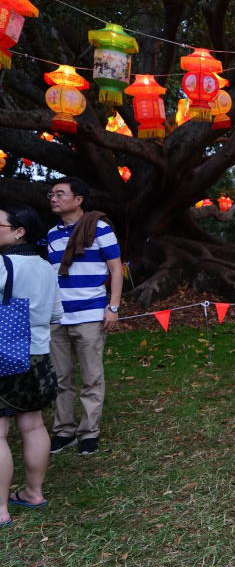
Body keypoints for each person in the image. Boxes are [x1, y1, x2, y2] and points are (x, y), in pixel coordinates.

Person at [46, 177, 122, 456]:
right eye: (51, 194)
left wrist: (112, 308)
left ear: (78, 199)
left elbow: (116, 270)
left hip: (90, 313)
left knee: (91, 376)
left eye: (60, 194)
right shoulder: (52, 234)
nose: (53, 198)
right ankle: (64, 431)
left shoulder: (100, 229)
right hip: (57, 316)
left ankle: (89, 433)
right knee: (60, 378)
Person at [0, 203, 62, 528]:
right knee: (34, 426)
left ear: (18, 231)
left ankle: (0, 510)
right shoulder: (45, 266)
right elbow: (56, 315)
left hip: (3, 356)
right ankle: (33, 493)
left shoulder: (2, 263)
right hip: (38, 356)